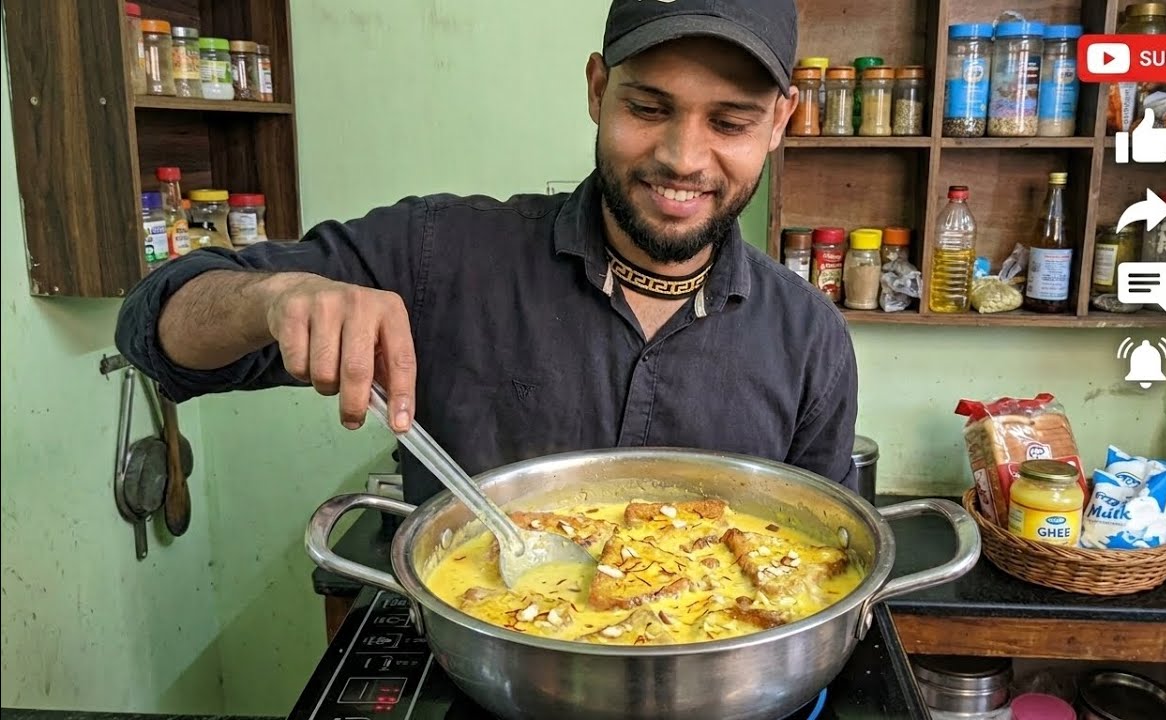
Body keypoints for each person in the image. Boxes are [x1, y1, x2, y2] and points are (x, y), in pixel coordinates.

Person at [115, 0, 859, 504]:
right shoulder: (438, 256)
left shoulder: (809, 341)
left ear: (779, 122)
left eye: (729, 122)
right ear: (598, 89)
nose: (683, 157)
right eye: (647, 107)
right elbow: (155, 330)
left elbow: (819, 561)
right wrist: (269, 299)